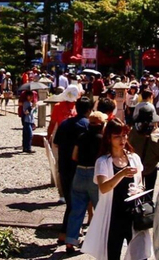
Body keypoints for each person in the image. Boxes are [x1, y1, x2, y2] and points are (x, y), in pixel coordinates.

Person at [81, 118, 151, 260]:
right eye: (117, 136)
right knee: (112, 254)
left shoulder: (133, 158)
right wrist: (121, 174)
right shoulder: (103, 162)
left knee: (140, 254)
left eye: (124, 135)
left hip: (134, 213)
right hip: (113, 215)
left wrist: (140, 189)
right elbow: (104, 187)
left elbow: (140, 181)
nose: (122, 139)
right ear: (109, 138)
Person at [65, 111, 107, 253]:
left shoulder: (82, 137)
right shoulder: (102, 139)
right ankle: (101, 240)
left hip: (80, 172)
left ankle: (70, 241)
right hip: (96, 174)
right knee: (100, 208)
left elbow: (74, 156)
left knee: (76, 210)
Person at [54, 97, 93, 244]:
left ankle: (65, 234)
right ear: (89, 110)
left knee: (71, 202)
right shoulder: (88, 126)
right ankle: (69, 235)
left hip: (64, 167)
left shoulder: (64, 124)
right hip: (80, 168)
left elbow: (56, 144)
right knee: (78, 203)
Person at [129, 106, 159, 191]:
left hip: (135, 168)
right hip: (150, 169)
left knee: (135, 193)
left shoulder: (132, 133)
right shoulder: (155, 138)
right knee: (149, 192)